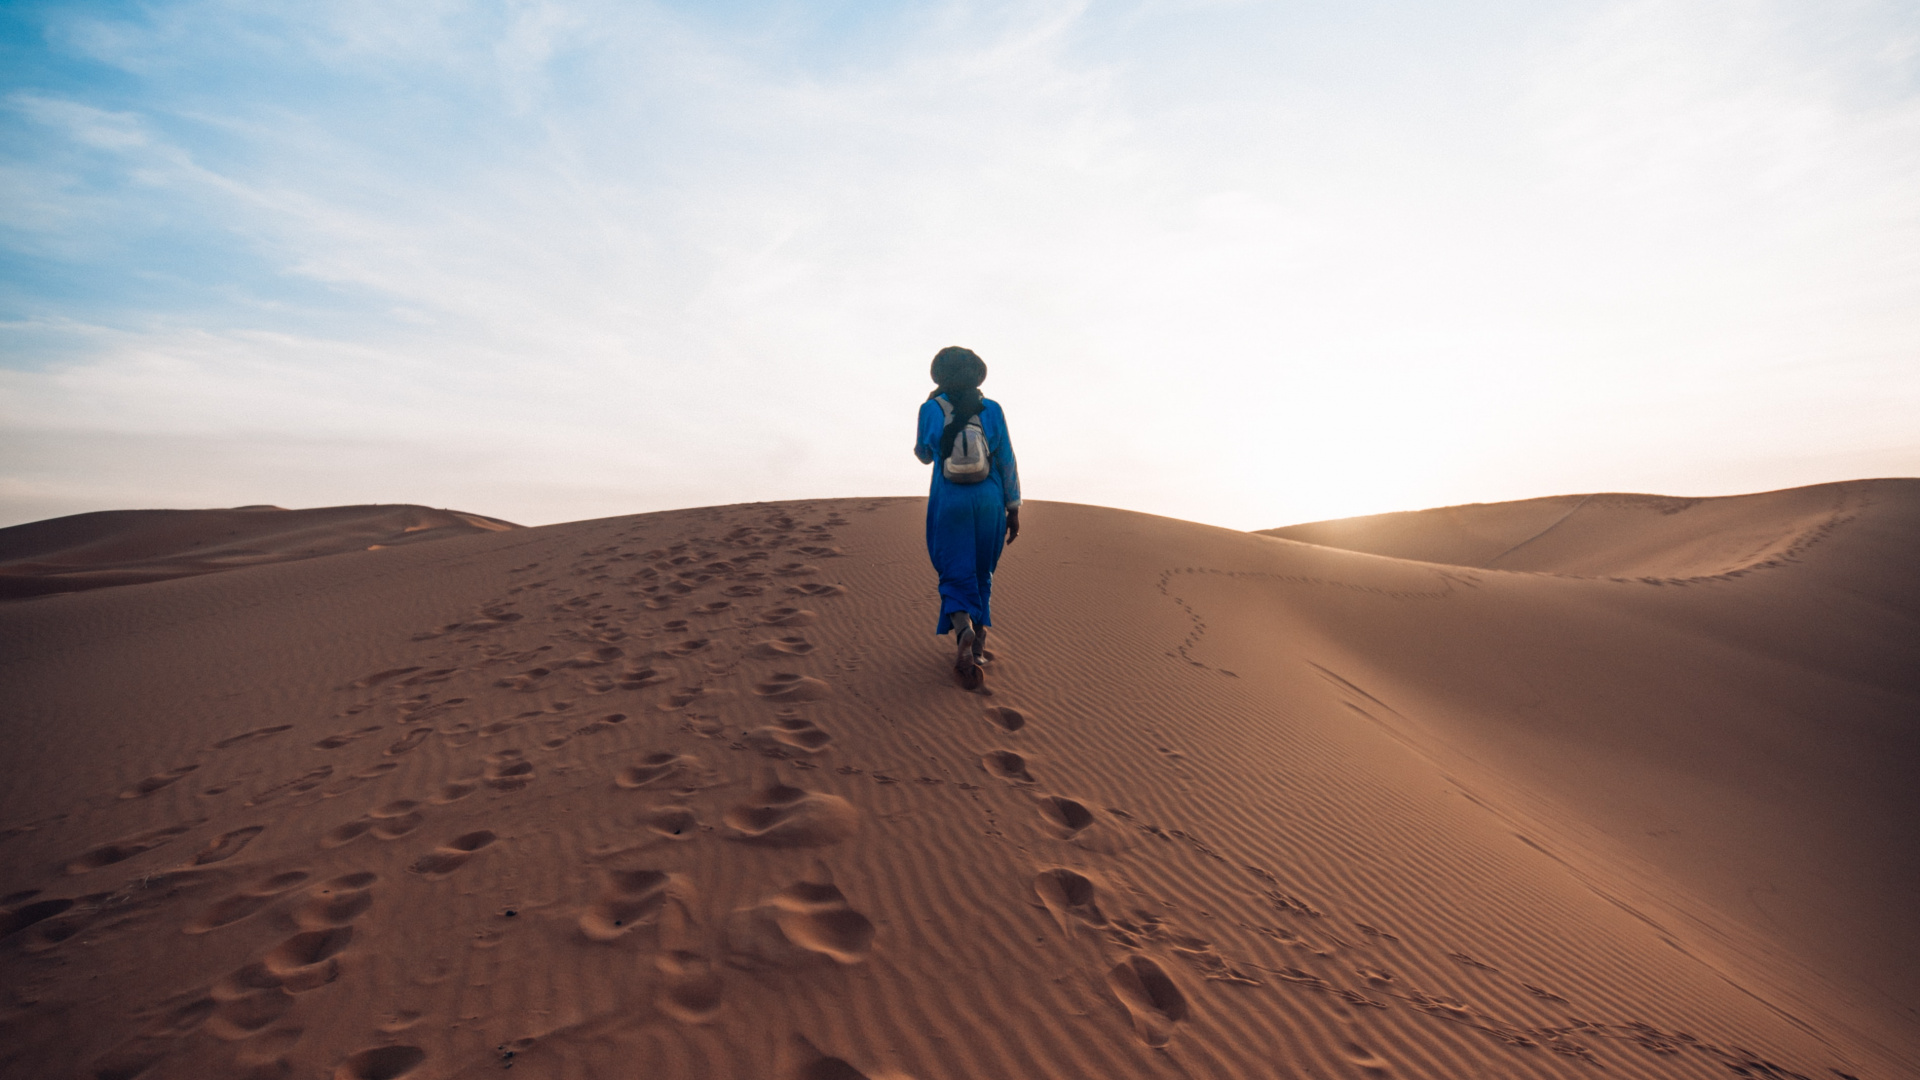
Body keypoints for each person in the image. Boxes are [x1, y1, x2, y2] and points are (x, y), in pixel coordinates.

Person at [914, 346, 1022, 681]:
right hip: (990, 499)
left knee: (952, 567)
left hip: (950, 499)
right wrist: (1013, 507)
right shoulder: (992, 408)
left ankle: (963, 628)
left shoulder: (930, 408)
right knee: (981, 570)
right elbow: (1006, 460)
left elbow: (924, 455)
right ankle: (979, 646)